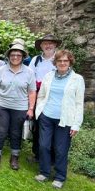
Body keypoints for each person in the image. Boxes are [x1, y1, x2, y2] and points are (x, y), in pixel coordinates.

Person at [34, 50, 85, 189]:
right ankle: (44, 172)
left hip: (65, 120)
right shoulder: (49, 76)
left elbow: (79, 103)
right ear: (55, 62)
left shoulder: (77, 79)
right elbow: (41, 95)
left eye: (65, 61)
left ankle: (60, 176)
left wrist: (76, 124)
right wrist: (41, 110)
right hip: (47, 117)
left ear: (70, 63)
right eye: (60, 61)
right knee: (44, 146)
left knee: (60, 149)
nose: (62, 63)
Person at [0, 42, 36, 170]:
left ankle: (14, 157)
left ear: (23, 56)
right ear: (9, 56)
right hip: (2, 105)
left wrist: (31, 109)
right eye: (13, 54)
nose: (15, 57)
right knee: (0, 132)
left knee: (15, 133)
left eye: (18, 54)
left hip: (20, 107)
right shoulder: (1, 70)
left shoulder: (29, 72)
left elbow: (32, 92)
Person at [28, 34, 61, 163]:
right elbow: (29, 78)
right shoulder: (36, 60)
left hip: (53, 99)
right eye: (45, 43)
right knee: (37, 127)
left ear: (55, 45)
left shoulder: (60, 59)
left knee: (53, 128)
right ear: (41, 46)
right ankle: (37, 155)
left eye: (50, 43)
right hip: (37, 97)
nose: (48, 45)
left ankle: (52, 158)